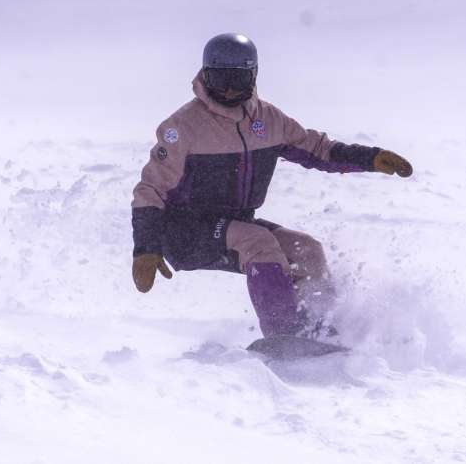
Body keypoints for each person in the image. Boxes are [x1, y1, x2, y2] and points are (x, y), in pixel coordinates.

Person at [130, 33, 413, 339]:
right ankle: (283, 337)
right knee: (258, 242)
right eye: (218, 78)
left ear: (253, 76)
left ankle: (318, 329)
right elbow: (150, 190)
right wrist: (146, 249)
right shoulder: (182, 128)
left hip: (236, 223)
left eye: (236, 80)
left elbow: (317, 149)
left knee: (307, 249)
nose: (226, 89)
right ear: (204, 74)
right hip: (185, 232)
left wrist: (370, 158)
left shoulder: (267, 120)